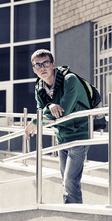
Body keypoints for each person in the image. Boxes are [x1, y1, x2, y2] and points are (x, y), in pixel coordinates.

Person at [25, 49, 89, 204]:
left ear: (53, 64)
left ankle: (73, 216)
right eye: (38, 65)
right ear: (34, 69)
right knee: (65, 180)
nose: (42, 67)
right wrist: (51, 106)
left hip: (79, 134)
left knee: (70, 180)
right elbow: (41, 112)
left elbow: (63, 111)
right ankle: (72, 211)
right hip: (61, 136)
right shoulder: (40, 87)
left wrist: (37, 120)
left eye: (46, 63)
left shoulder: (70, 79)